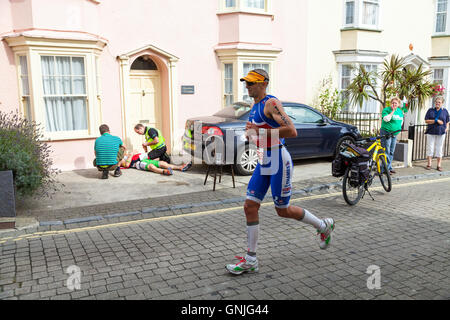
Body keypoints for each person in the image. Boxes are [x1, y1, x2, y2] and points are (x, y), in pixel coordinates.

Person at [225, 69, 335, 275]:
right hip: (264, 159)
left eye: (251, 83)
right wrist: (251, 134)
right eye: (246, 83)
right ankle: (251, 260)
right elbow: (259, 132)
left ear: (263, 83)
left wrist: (260, 132)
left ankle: (323, 225)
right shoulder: (255, 105)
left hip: (278, 158)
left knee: (282, 210)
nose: (247, 86)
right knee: (249, 206)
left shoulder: (271, 103)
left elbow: (292, 131)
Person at [380, 97, 408, 174]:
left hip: (394, 134)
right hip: (386, 133)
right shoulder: (386, 110)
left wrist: (398, 129)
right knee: (386, 151)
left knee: (391, 151)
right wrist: (392, 111)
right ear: (390, 103)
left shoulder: (400, 111)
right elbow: (386, 119)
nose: (394, 104)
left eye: (396, 103)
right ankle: (385, 169)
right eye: (393, 103)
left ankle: (388, 167)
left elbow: (401, 121)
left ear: (398, 104)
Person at [424, 96, 449, 171]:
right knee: (430, 148)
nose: (437, 103)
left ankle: (439, 165)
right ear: (434, 102)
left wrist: (447, 128)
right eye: (436, 102)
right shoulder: (430, 110)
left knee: (439, 148)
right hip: (431, 131)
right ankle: (429, 164)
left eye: (439, 102)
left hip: (441, 132)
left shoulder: (445, 111)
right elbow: (426, 120)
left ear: (442, 103)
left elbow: (447, 121)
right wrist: (436, 120)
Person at [119, 152, 191, 175]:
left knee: (162, 163)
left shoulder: (126, 154)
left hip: (144, 159)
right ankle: (164, 171)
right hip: (138, 163)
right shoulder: (121, 159)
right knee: (151, 166)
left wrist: (131, 153)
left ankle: (180, 167)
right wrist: (131, 155)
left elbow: (135, 152)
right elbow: (127, 165)